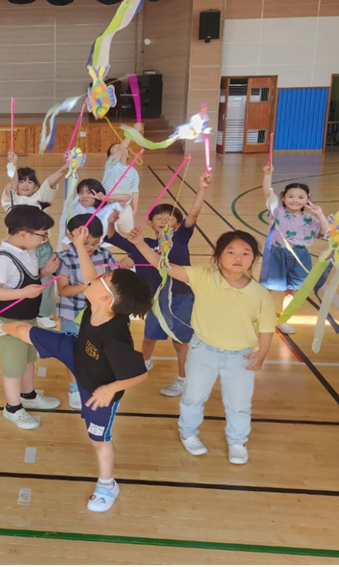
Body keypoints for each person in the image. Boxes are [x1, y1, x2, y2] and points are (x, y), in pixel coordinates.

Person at [0, 224, 152, 512]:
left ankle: (108, 485)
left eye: (103, 278)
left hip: (97, 388)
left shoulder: (115, 338)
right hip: (75, 350)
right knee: (26, 332)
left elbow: (140, 373)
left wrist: (110, 389)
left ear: (106, 298)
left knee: (99, 442)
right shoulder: (100, 303)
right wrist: (79, 245)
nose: (95, 276)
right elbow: (90, 277)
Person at [128, 228, 274, 465]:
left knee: (239, 404)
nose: (238, 257)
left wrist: (263, 352)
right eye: (231, 252)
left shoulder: (260, 294)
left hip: (241, 358)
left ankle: (237, 441)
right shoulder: (203, 276)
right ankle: (188, 432)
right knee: (193, 397)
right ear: (218, 256)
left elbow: (266, 327)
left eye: (246, 253)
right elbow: (165, 266)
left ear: (254, 259)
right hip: (202, 351)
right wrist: (140, 244)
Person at [105, 173, 211, 397]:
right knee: (149, 337)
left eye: (170, 218)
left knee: (180, 342)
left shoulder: (180, 238)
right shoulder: (141, 243)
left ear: (178, 224)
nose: (164, 220)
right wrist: (111, 221)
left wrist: (201, 188)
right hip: (153, 300)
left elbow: (194, 213)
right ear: (150, 222)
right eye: (159, 217)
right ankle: (144, 363)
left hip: (181, 298)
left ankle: (183, 379)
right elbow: (113, 237)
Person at [0, 205, 62, 428]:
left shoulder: (27, 251)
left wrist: (45, 271)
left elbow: (29, 279)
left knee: (28, 360)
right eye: (42, 235)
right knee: (13, 367)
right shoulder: (3, 260)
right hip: (8, 323)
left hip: (27, 319)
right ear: (22, 234)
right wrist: (23, 293)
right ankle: (12, 408)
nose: (45, 239)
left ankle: (28, 395)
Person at [56, 215, 129, 408]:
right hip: (72, 314)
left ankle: (95, 383)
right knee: (72, 352)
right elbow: (63, 290)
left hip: (100, 315)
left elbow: (116, 280)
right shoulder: (64, 259)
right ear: (71, 237)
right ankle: (74, 388)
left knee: (95, 351)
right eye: (86, 243)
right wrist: (90, 285)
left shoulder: (105, 255)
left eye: (95, 243)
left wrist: (123, 268)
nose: (90, 248)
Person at [2, 152, 69, 328]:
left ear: (35, 186)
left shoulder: (40, 199)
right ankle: (20, 308)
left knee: (46, 280)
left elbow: (50, 182)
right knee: (20, 279)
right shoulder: (11, 200)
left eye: (30, 182)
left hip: (42, 248)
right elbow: (10, 184)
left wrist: (65, 168)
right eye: (21, 181)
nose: (25, 184)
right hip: (19, 250)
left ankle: (44, 313)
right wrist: (13, 164)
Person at [259, 165, 326, 334]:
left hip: (300, 256)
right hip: (277, 254)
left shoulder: (310, 219)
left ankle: (283, 320)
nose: (295, 200)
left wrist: (320, 214)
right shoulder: (277, 212)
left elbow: (326, 232)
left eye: (300, 197)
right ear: (283, 198)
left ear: (308, 199)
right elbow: (267, 193)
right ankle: (260, 315)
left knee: (291, 290)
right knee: (268, 287)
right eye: (290, 196)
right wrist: (267, 175)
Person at [102, 122, 144, 217]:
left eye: (119, 146)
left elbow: (135, 191)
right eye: (115, 148)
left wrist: (135, 209)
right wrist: (133, 132)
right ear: (110, 156)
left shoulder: (133, 171)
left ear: (128, 155)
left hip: (124, 207)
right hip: (107, 205)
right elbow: (121, 148)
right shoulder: (111, 163)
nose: (119, 148)